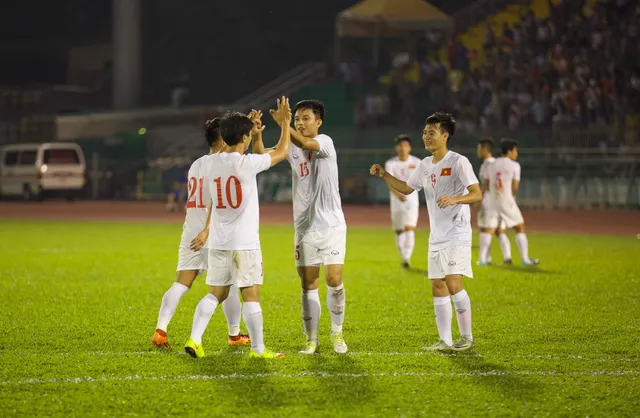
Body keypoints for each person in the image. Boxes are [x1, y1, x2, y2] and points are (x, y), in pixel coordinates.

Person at [184, 97, 291, 359]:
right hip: (245, 243)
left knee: (215, 294)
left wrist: (250, 132)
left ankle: (195, 339)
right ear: (243, 136)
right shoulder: (247, 164)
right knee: (251, 295)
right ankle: (258, 349)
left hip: (219, 242)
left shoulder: (210, 163)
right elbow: (281, 153)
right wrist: (285, 124)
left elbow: (247, 151)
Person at [370, 112, 482, 352]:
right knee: (438, 286)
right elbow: (407, 188)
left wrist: (455, 199)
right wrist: (385, 175)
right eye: (424, 132)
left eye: (431, 132)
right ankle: (445, 341)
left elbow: (476, 193)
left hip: (457, 233)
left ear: (445, 135)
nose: (426, 136)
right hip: (436, 235)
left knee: (453, 283)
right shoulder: (424, 165)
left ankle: (467, 337)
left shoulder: (457, 161)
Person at [152, 118, 250, 348]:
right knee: (229, 285)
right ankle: (234, 335)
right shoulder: (223, 164)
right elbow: (218, 201)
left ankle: (161, 330)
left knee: (181, 283)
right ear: (224, 139)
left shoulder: (196, 164)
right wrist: (208, 230)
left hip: (189, 231)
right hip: (212, 232)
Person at [269, 100, 348, 355]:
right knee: (308, 284)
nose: (300, 123)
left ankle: (337, 333)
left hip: (332, 226)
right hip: (304, 228)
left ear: (318, 122)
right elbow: (265, 154)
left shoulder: (325, 141)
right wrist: (258, 133)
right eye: (297, 119)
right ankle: (311, 339)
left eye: (305, 118)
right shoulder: (291, 145)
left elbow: (306, 144)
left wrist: (283, 124)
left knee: (334, 280)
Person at [484, 139, 539, 265]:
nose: (516, 153)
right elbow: (515, 186)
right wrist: (511, 198)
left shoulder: (492, 164)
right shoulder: (514, 165)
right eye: (515, 150)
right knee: (519, 227)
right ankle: (525, 259)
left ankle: (485, 259)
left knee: (493, 230)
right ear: (509, 151)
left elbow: (486, 184)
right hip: (507, 200)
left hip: (493, 200)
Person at [384, 134, 422, 268]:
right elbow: (389, 181)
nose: (402, 148)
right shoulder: (391, 163)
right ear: (396, 147)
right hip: (396, 200)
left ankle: (407, 257)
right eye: (400, 145)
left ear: (410, 148)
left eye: (405, 145)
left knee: (409, 228)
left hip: (412, 200)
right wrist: (398, 194)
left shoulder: (416, 162)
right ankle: (403, 256)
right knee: (399, 230)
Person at [475, 138, 513, 265]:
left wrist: (479, 197)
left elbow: (486, 183)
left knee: (486, 229)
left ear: (485, 149)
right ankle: (507, 257)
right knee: (499, 230)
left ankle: (483, 259)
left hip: (489, 200)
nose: (478, 151)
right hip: (499, 199)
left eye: (479, 149)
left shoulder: (488, 164)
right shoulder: (496, 163)